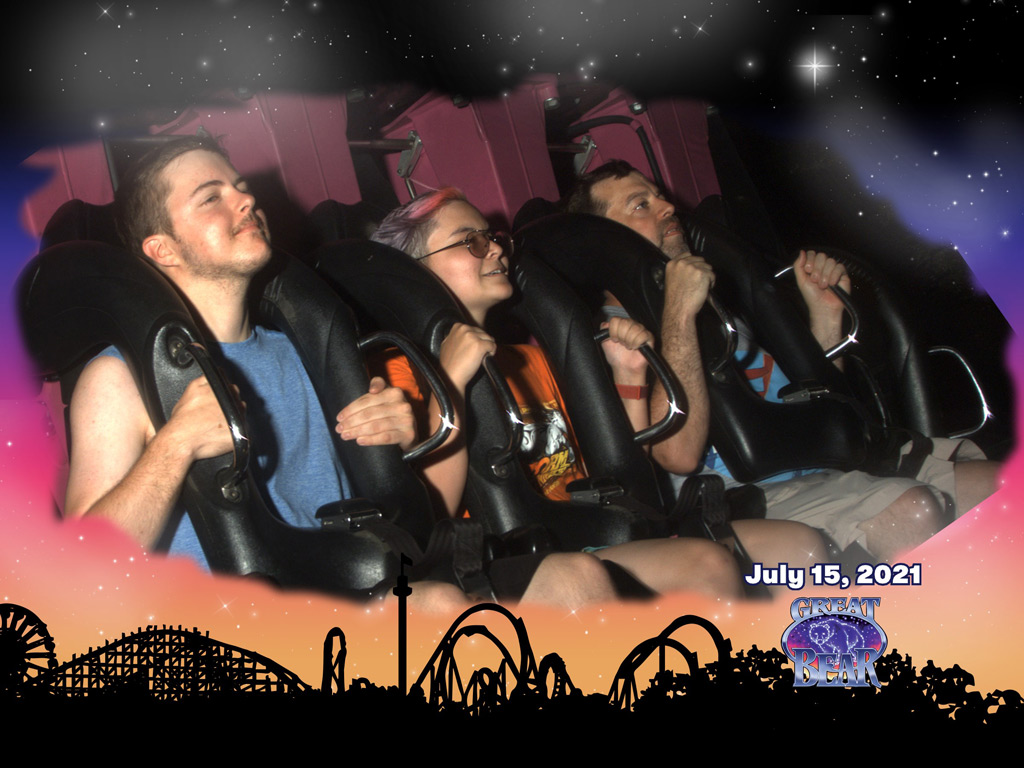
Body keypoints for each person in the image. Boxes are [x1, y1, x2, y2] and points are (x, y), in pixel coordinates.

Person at [62, 136, 619, 611]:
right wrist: (174, 445)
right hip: (228, 625)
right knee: (438, 610)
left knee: (576, 577)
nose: (245, 199)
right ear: (162, 249)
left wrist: (403, 442)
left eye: (240, 188)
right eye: (212, 197)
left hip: (357, 585)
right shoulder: (118, 377)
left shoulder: (310, 354)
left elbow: (423, 522)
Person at [371, 188, 825, 598]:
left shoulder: (530, 361)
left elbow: (620, 468)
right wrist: (451, 377)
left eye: (491, 237)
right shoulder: (395, 374)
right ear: (413, 274)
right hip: (503, 557)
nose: (494, 248)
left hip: (587, 531)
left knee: (798, 545)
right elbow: (431, 515)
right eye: (470, 241)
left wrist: (629, 377)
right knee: (706, 565)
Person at [565, 160, 1001, 561]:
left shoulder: (719, 311)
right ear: (602, 242)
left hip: (819, 464)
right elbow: (675, 456)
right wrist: (678, 311)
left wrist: (825, 319)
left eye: (659, 195)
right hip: (741, 495)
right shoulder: (609, 342)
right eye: (641, 204)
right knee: (913, 509)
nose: (667, 207)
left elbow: (811, 409)